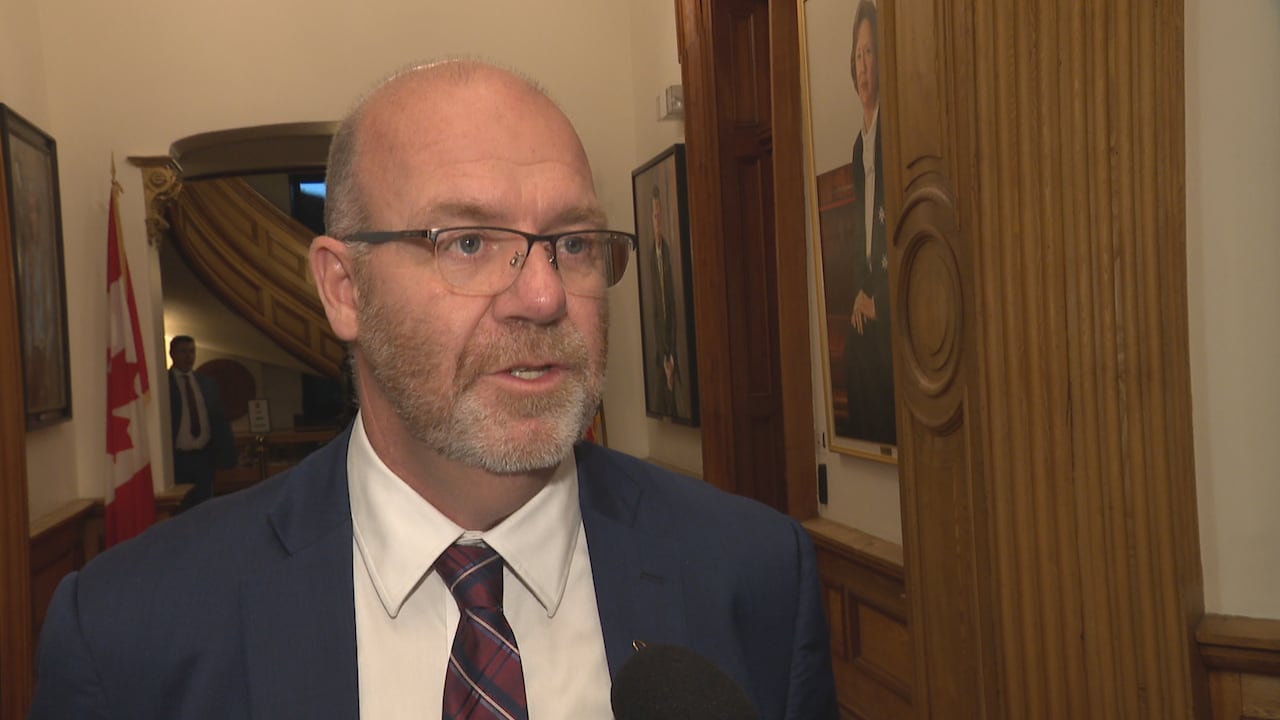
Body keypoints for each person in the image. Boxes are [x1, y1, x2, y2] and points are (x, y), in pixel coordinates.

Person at [30, 60, 836, 719]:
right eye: (470, 242)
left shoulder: (757, 575)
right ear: (343, 289)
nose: (545, 296)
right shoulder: (128, 631)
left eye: (575, 243)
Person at [840, 0, 897, 446]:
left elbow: (895, 227)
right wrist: (861, 291)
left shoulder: (897, 134)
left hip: (894, 293)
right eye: (857, 56)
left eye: (870, 52)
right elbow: (862, 233)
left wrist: (879, 295)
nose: (863, 66)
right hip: (870, 291)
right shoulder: (860, 148)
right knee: (853, 351)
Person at [167, 334, 236, 509]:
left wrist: (226, 457)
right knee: (181, 508)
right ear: (172, 354)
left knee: (204, 507)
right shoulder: (164, 383)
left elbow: (218, 419)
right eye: (183, 352)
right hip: (177, 459)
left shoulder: (206, 383)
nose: (188, 357)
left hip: (203, 458)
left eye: (192, 351)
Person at [645, 184, 681, 418]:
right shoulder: (651, 257)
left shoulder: (668, 253)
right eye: (654, 216)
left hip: (672, 337)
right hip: (661, 342)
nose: (657, 221)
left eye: (660, 216)